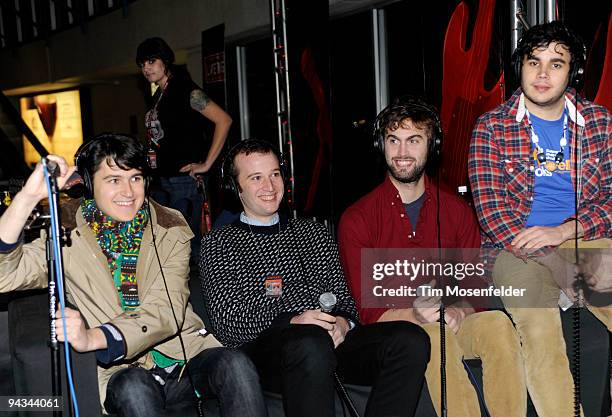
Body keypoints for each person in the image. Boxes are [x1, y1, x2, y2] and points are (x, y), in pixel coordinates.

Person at [0, 134, 267, 417]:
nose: (128, 191)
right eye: (114, 180)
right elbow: (5, 275)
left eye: (136, 178)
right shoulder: (65, 231)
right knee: (134, 387)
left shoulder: (169, 225)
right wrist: (28, 197)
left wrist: (95, 337)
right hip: (121, 371)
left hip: (183, 358)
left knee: (235, 364)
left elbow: (167, 309)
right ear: (89, 183)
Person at [200, 139, 430, 417]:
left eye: (275, 174)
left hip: (328, 340)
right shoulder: (220, 243)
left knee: (410, 339)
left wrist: (344, 323)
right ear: (235, 187)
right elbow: (229, 324)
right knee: (310, 341)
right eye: (256, 177)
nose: (270, 186)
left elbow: (345, 297)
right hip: (267, 351)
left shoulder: (313, 233)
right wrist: (292, 320)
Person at [338, 97, 525, 417]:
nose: (401, 152)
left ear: (432, 145)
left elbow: (474, 287)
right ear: (380, 145)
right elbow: (369, 312)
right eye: (393, 141)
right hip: (397, 332)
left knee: (496, 322)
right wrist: (421, 314)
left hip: (451, 321)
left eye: (414, 140)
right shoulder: (358, 218)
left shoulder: (456, 212)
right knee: (431, 335)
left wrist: (460, 310)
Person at [468, 21, 611, 417]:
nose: (543, 74)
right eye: (534, 62)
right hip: (516, 247)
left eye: (556, 63)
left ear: (573, 73)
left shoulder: (599, 123)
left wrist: (566, 232)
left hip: (581, 235)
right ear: (521, 68)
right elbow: (493, 215)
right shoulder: (491, 128)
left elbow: (610, 202)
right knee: (540, 330)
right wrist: (557, 260)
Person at [136, 37, 232, 256]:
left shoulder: (186, 90)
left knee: (185, 247)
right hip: (163, 180)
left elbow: (224, 120)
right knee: (175, 246)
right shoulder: (158, 94)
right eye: (142, 64)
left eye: (151, 61)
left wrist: (207, 163)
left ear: (165, 60)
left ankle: (215, 287)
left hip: (184, 180)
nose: (146, 68)